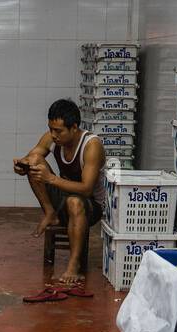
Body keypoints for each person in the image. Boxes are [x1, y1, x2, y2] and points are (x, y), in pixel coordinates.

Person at [14, 98, 107, 287]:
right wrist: (22, 165)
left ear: (74, 128)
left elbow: (86, 188)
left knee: (75, 202)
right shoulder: (52, 138)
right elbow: (33, 156)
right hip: (65, 198)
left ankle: (73, 265)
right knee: (35, 161)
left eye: (58, 131)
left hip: (90, 206)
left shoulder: (91, 145)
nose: (53, 135)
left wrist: (51, 179)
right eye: (51, 129)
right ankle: (50, 213)